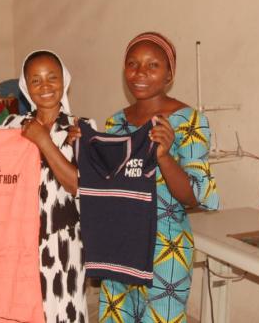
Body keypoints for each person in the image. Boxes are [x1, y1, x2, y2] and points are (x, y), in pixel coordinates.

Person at [71, 32, 219, 322]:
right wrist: (83, 146)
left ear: (169, 75)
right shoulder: (116, 122)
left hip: (166, 248)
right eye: (133, 64)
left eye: (153, 65)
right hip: (121, 244)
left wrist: (163, 156)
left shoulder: (189, 121)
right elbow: (106, 188)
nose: (140, 73)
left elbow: (194, 197)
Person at [0, 50, 90, 322]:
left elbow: (77, 186)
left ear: (65, 81)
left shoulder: (80, 128)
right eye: (35, 80)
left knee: (63, 309)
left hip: (63, 240)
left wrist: (44, 141)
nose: (45, 86)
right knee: (21, 310)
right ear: (25, 86)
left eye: (52, 77)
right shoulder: (11, 127)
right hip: (18, 238)